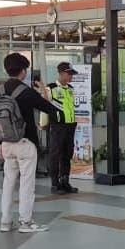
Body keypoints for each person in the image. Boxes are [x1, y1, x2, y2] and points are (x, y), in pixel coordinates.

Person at [0, 52, 62, 233]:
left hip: (6, 143)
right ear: (23, 71)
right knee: (26, 184)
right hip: (25, 143)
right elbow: (50, 109)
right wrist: (43, 93)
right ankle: (26, 222)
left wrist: (0, 143)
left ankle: (5, 221)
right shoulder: (26, 91)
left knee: (8, 183)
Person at [42, 62, 79, 195]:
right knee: (55, 154)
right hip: (57, 126)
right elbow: (44, 106)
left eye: (71, 74)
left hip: (70, 126)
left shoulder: (70, 89)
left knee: (67, 154)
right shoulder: (50, 88)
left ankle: (65, 181)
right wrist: (43, 123)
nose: (71, 77)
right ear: (62, 73)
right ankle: (54, 183)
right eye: (69, 74)